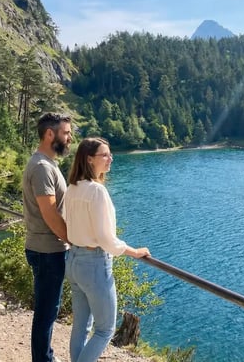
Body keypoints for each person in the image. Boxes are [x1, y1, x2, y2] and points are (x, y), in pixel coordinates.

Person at [64, 137, 151, 362]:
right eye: (105, 155)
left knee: (81, 326)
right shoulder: (96, 191)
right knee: (105, 330)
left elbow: (65, 223)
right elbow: (105, 239)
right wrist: (134, 252)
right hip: (94, 264)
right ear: (89, 159)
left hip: (73, 260)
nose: (110, 158)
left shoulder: (73, 187)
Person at [22, 112, 72, 362]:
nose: (69, 138)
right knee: (45, 312)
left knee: (46, 311)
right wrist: (72, 240)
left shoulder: (47, 163)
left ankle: (45, 357)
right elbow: (50, 213)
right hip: (47, 251)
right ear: (50, 134)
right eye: (65, 133)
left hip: (46, 249)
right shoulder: (42, 167)